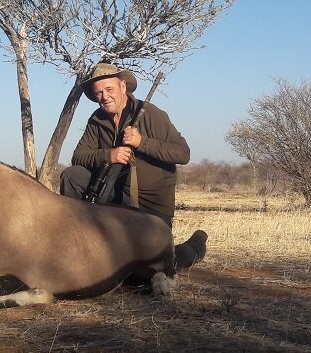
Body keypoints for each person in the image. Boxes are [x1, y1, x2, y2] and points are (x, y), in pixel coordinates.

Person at [60, 63, 206, 267]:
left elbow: (183, 153)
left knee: (152, 265)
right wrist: (109, 155)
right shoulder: (96, 119)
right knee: (72, 175)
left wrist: (141, 142)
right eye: (99, 92)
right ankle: (73, 244)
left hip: (150, 206)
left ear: (123, 87)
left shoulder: (152, 114)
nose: (104, 96)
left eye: (109, 89)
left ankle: (194, 246)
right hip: (114, 201)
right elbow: (79, 157)